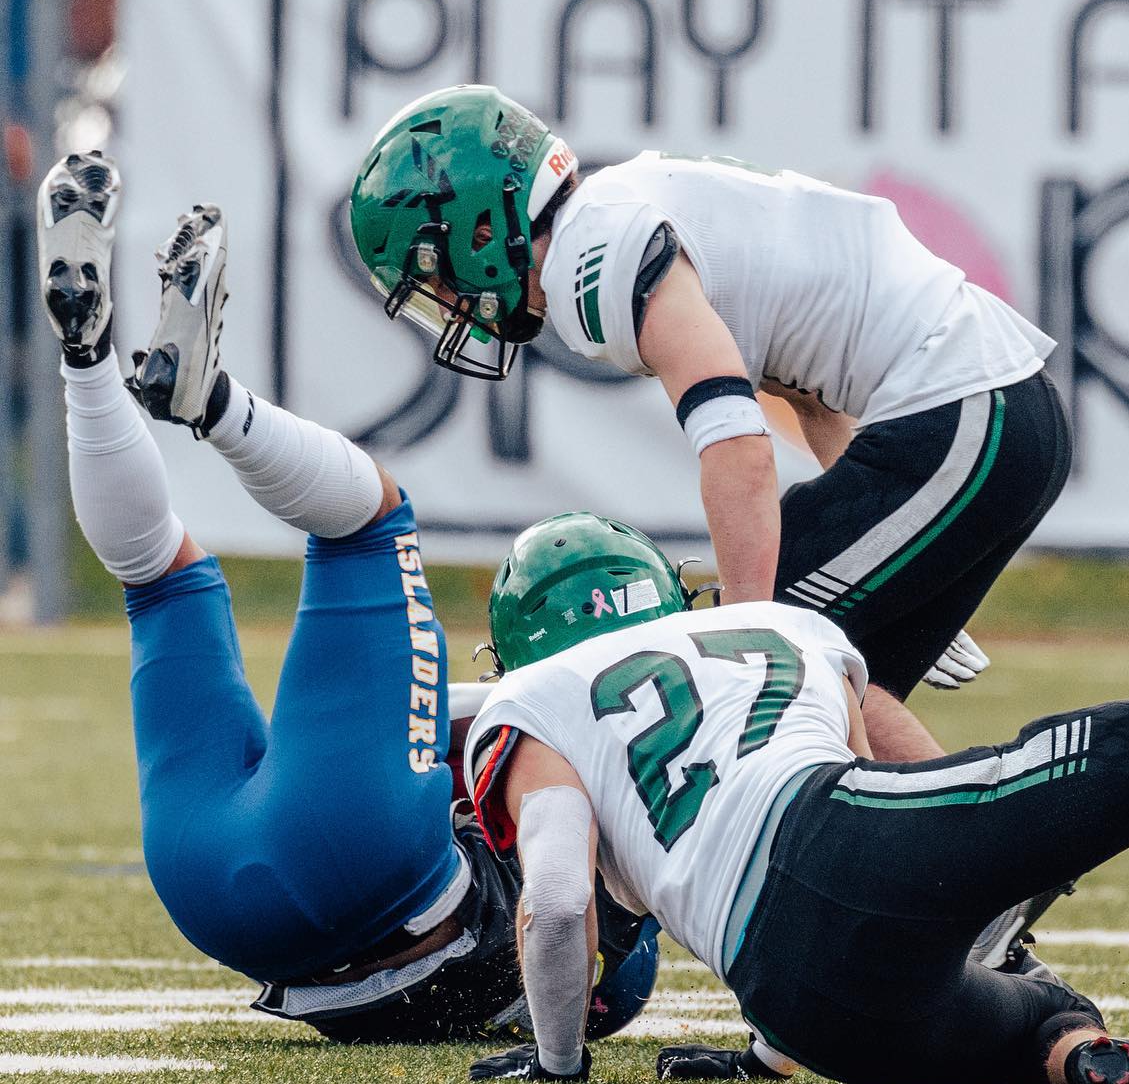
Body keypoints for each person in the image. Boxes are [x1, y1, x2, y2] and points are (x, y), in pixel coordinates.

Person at [36, 151, 657, 1044]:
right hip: (220, 907)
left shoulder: (575, 727)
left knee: (371, 522)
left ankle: (169, 390)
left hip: (348, 856)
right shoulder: (647, 850)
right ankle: (91, 356)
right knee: (159, 584)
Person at [458, 512, 1129, 1084]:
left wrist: (557, 1061)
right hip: (840, 834)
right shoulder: (777, 624)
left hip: (807, 1012)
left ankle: (1083, 1058)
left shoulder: (530, 701)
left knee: (1042, 1016)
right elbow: (863, 789)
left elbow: (559, 903)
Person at [350, 85, 1069, 775]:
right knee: (846, 671)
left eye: (438, 275)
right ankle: (980, 879)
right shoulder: (619, 204)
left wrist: (747, 636)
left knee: (776, 651)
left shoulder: (594, 253)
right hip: (991, 411)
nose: (450, 302)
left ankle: (983, 842)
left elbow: (738, 446)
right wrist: (898, 545)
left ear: (483, 228)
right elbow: (815, 400)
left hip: (967, 406)